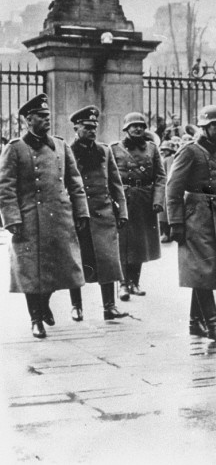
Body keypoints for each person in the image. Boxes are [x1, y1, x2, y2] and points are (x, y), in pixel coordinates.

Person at [0, 94, 90, 338]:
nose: (46, 120)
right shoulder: (15, 148)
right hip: (29, 218)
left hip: (59, 216)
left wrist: (81, 211)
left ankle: (44, 304)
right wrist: (12, 219)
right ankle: (36, 318)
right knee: (31, 270)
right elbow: (5, 187)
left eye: (48, 116)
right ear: (29, 120)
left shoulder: (60, 145)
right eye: (41, 117)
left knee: (59, 267)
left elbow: (75, 182)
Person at [166, 105, 216, 341]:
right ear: (204, 127)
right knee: (203, 268)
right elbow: (173, 188)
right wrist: (176, 223)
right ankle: (212, 323)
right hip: (197, 215)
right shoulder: (190, 151)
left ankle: (194, 322)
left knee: (207, 270)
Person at [67, 106, 130, 322]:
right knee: (78, 260)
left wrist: (122, 211)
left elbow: (115, 182)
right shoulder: (68, 151)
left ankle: (109, 306)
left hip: (104, 213)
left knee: (108, 260)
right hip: (79, 215)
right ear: (76, 128)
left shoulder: (104, 151)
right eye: (87, 127)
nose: (92, 131)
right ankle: (77, 306)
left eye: (94, 127)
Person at [111, 112, 167, 300]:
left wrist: (158, 200)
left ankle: (135, 282)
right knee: (123, 242)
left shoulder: (152, 149)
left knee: (140, 243)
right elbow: (109, 177)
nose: (138, 129)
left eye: (141, 126)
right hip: (124, 200)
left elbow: (160, 176)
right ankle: (123, 284)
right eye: (133, 126)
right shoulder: (114, 149)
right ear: (126, 129)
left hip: (145, 199)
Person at [158, 138, 178, 242]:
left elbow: (169, 174)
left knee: (164, 214)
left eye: (166, 150)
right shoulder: (165, 159)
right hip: (163, 187)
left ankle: (166, 233)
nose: (163, 151)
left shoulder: (169, 159)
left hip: (166, 187)